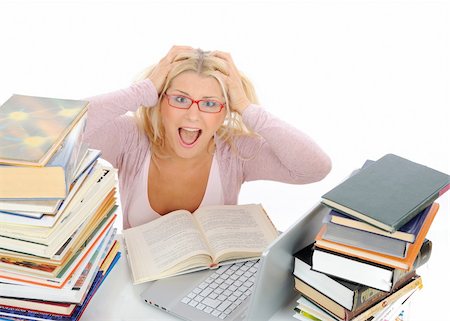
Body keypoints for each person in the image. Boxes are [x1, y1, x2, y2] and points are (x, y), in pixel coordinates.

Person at [83, 46, 332, 229]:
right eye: (180, 99)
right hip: (133, 288)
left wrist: (246, 107)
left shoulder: (235, 151)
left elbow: (314, 169)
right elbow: (62, 132)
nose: (193, 116)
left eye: (210, 103)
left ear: (225, 110)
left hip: (210, 294)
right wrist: (142, 90)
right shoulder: (132, 139)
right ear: (160, 100)